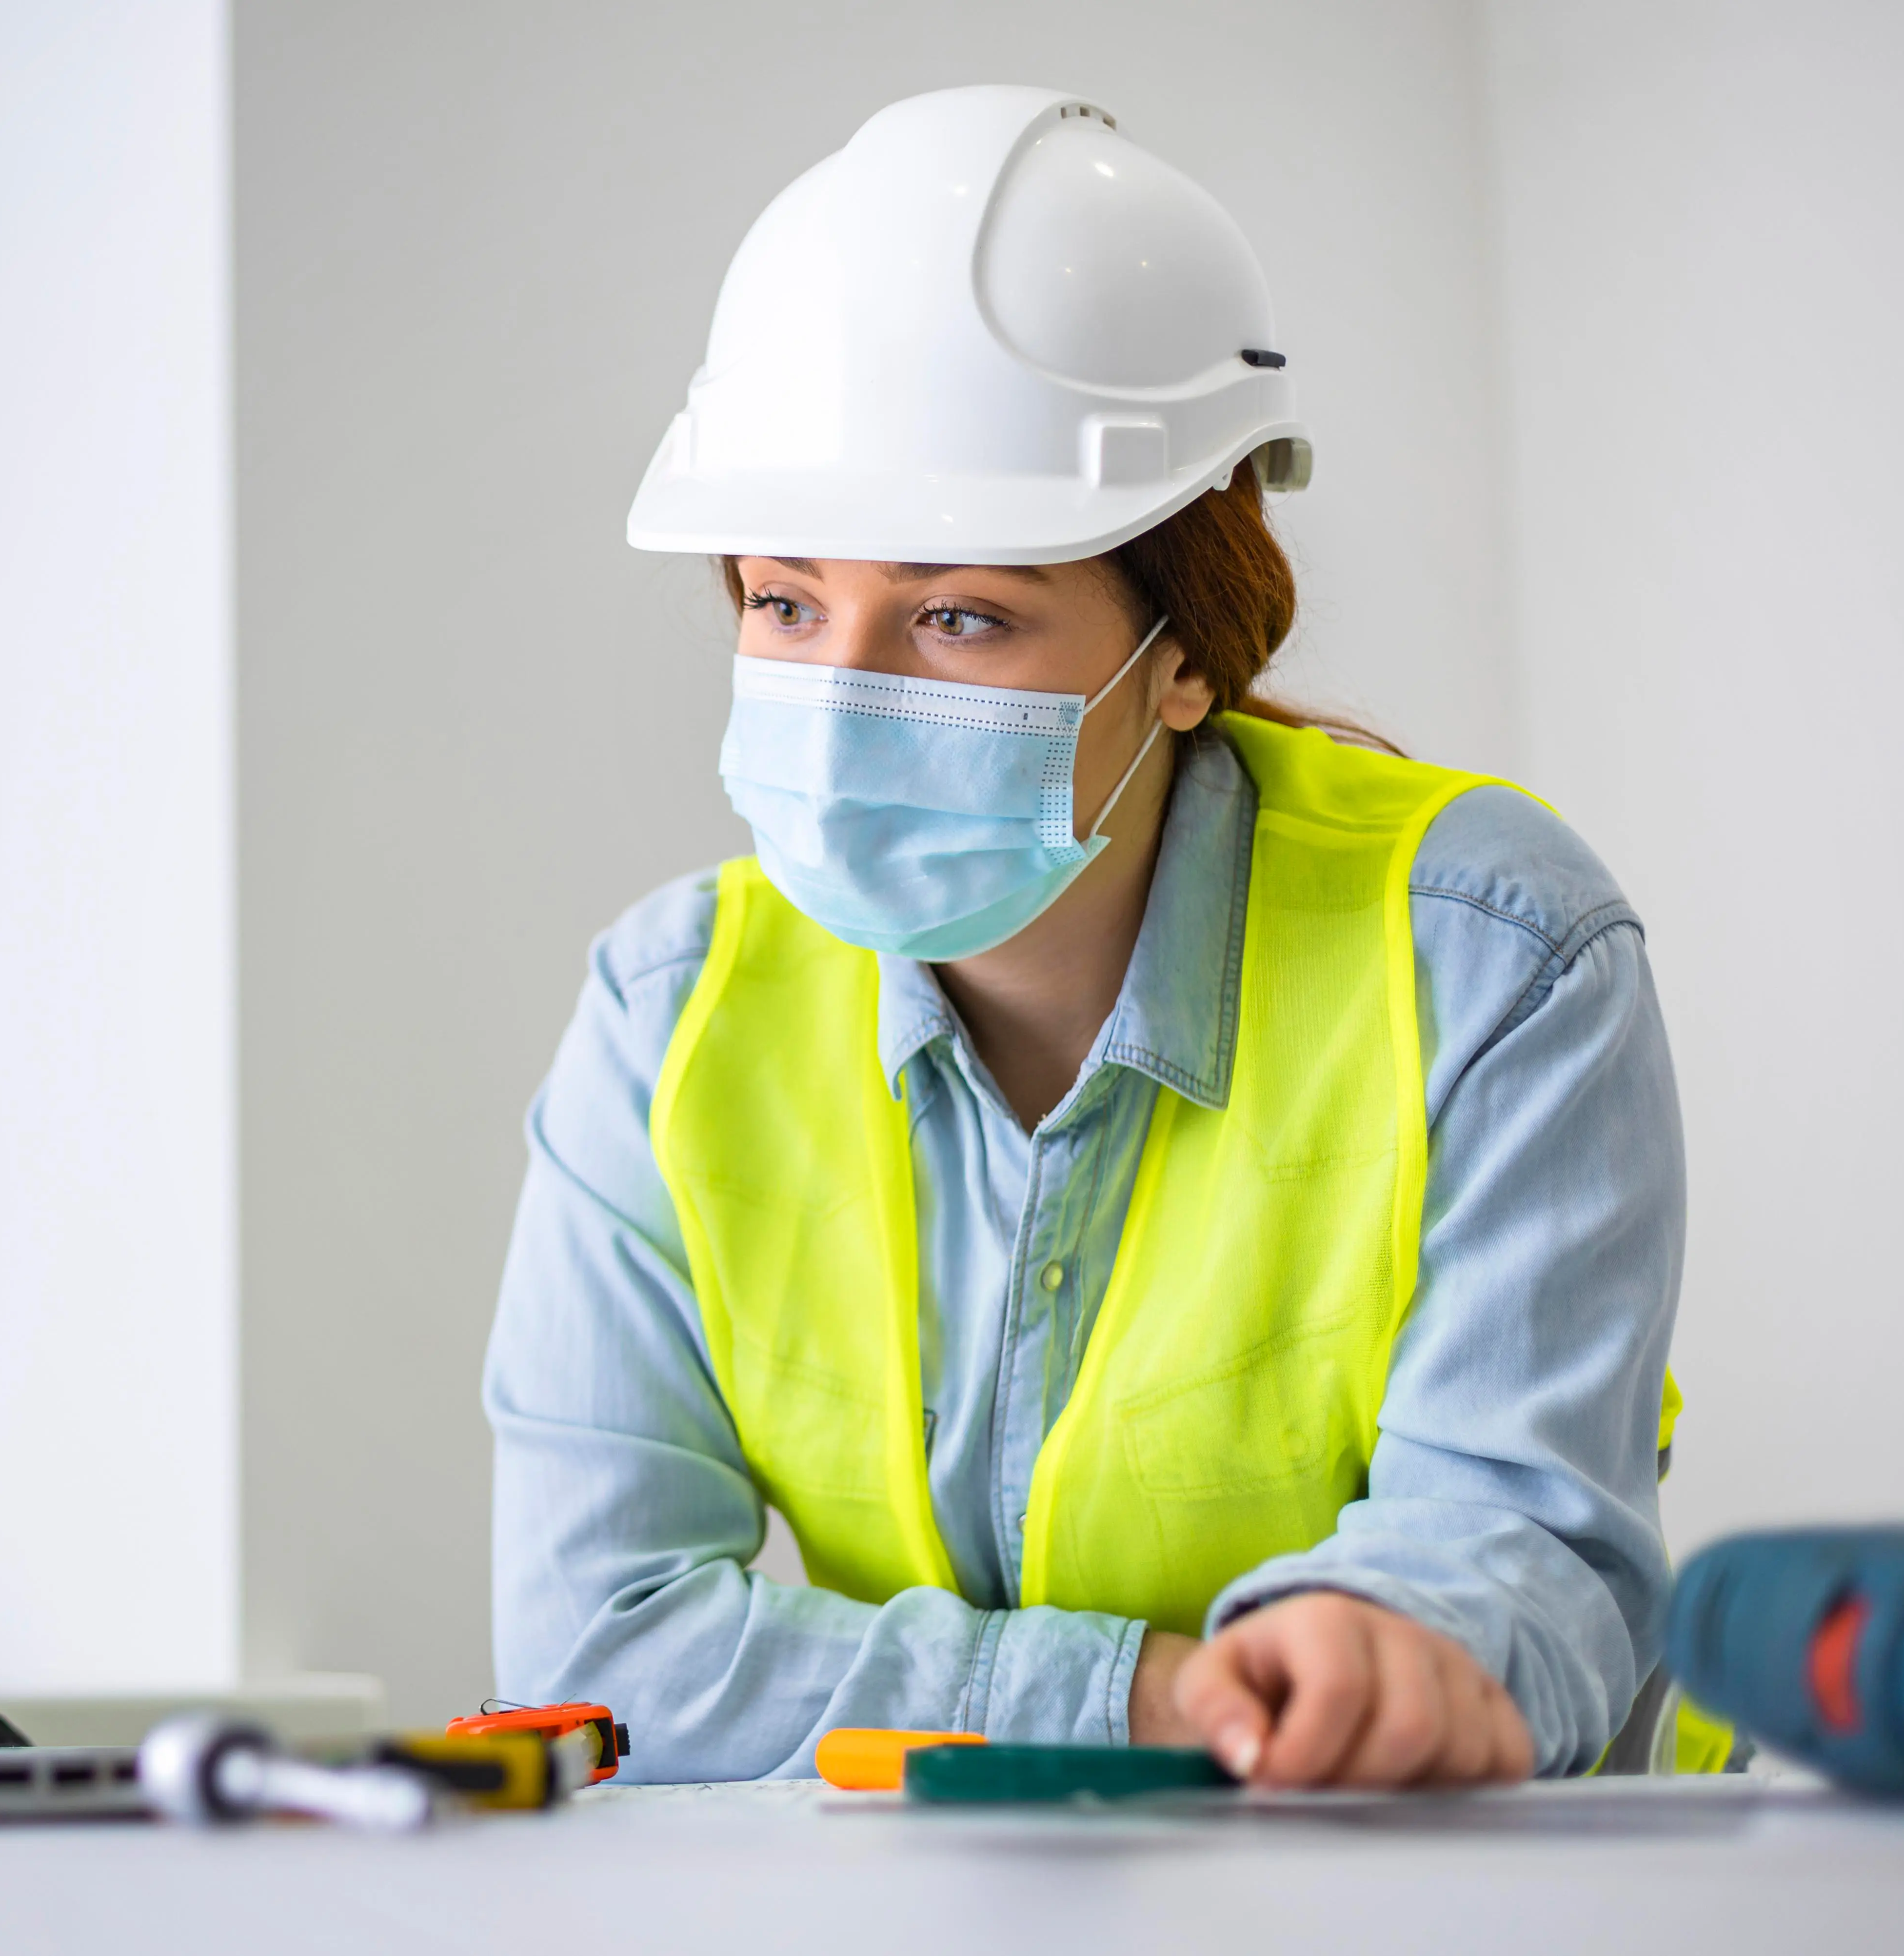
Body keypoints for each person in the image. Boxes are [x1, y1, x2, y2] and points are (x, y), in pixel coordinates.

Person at [483, 85, 1719, 1788]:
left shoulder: (1492, 954)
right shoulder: (667, 1017)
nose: (841, 699)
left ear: (1185, 657)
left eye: (958, 615)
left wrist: (1390, 1659)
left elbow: (1525, 1559)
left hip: (1453, 1886)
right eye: (784, 601)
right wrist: (1162, 1697)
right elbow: (598, 1653)